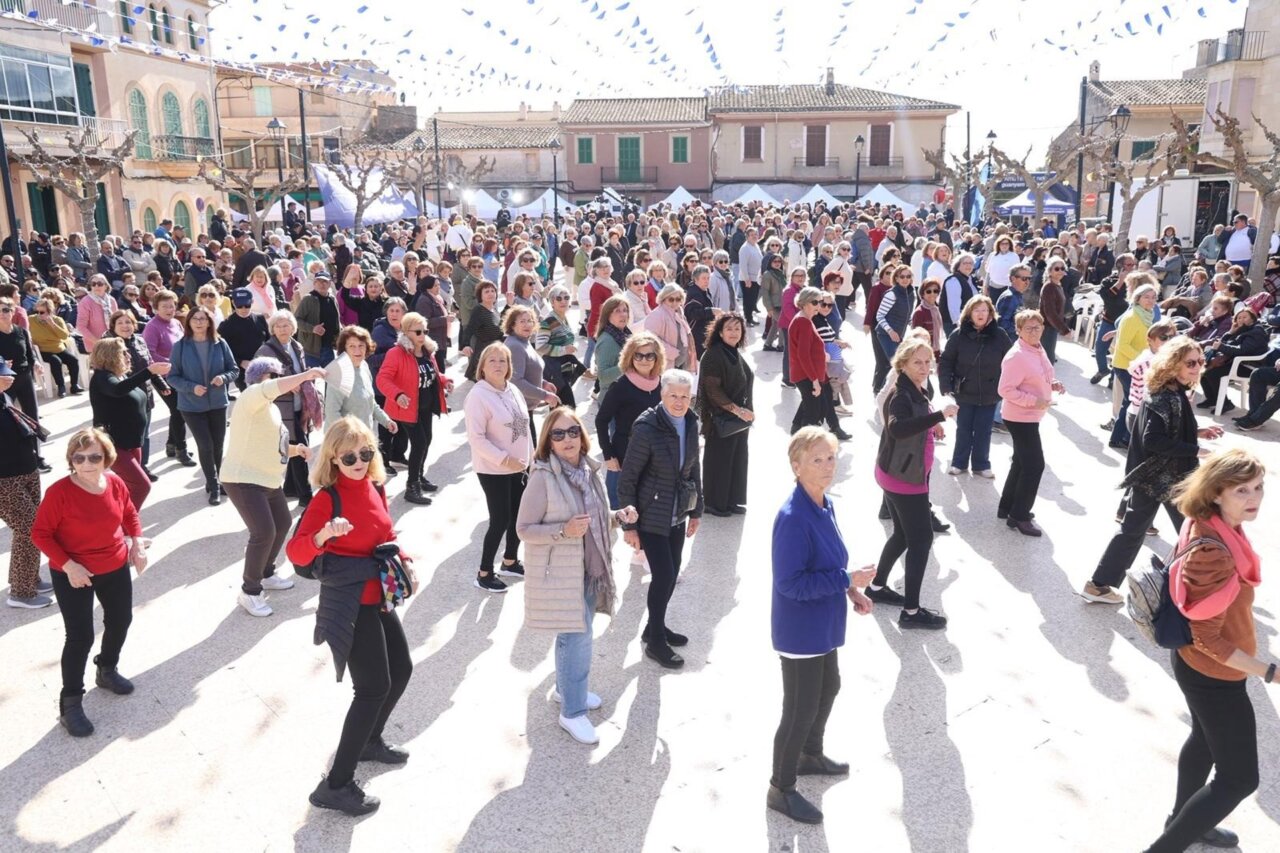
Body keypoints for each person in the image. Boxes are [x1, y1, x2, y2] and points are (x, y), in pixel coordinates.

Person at [1140, 449, 1272, 853]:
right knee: (1239, 779)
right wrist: (1269, 671)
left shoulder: (1213, 523)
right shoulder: (1213, 551)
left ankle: (1185, 822)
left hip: (1200, 666)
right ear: (1216, 493)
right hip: (1212, 673)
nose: (1254, 498)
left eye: (1259, 487)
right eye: (1241, 490)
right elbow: (1208, 638)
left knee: (1202, 741)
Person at [285, 417, 416, 817]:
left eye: (366, 453)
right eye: (349, 456)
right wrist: (324, 535)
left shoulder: (376, 487)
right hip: (348, 601)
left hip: (378, 595)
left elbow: (385, 535)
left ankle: (369, 742)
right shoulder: (327, 499)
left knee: (402, 669)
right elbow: (297, 553)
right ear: (334, 458)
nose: (359, 461)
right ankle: (336, 785)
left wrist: (404, 560)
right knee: (373, 687)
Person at [768, 427, 876, 824]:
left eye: (830, 457)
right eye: (817, 459)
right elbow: (790, 583)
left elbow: (831, 564)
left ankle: (810, 755)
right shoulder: (794, 517)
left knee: (829, 687)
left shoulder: (824, 504)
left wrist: (851, 591)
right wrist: (847, 580)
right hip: (801, 630)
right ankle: (780, 787)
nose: (827, 465)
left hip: (823, 622)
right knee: (798, 709)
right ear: (796, 467)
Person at [516, 407, 638, 745]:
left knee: (573, 637)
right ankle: (571, 712)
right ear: (548, 441)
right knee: (578, 637)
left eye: (572, 432)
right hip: (562, 572)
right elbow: (523, 529)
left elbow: (594, 519)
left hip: (589, 568)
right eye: (558, 434)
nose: (567, 439)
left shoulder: (587, 469)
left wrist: (617, 516)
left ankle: (567, 689)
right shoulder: (543, 477)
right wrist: (563, 530)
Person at [1083, 337, 1225, 604]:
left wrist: (1196, 433)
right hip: (1163, 478)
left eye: (1200, 361)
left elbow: (1169, 429)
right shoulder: (1165, 397)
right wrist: (1195, 450)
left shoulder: (1170, 391)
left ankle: (1099, 584)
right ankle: (1201, 587)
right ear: (1173, 365)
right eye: (1190, 363)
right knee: (1197, 530)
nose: (1197, 367)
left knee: (1143, 531)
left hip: (1159, 477)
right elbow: (1154, 440)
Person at [32, 428, 148, 737]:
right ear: (71, 460)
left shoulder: (115, 482)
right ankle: (70, 705)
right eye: (79, 457)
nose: (87, 463)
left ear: (106, 459)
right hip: (73, 571)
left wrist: (136, 543)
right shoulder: (59, 493)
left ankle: (106, 670)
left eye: (95, 457)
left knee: (121, 620)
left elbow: (129, 513)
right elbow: (39, 534)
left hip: (113, 563)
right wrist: (70, 566)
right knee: (80, 636)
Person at [222, 359, 325, 617]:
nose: (283, 380)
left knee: (281, 525)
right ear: (264, 376)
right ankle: (250, 590)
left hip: (268, 479)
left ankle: (266, 573)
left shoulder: (272, 409)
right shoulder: (251, 395)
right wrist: (306, 375)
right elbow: (272, 388)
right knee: (263, 532)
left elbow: (273, 445)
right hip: (242, 478)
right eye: (277, 375)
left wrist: (295, 450)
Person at [866, 338, 957, 628]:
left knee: (903, 535)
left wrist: (934, 423)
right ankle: (912, 612)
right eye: (917, 362)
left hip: (896, 472)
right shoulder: (901, 393)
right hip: (905, 480)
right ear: (902, 364)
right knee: (921, 539)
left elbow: (918, 418)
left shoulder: (916, 389)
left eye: (928, 362)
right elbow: (897, 428)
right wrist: (938, 415)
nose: (924, 367)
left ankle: (877, 588)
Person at [618, 369, 703, 670]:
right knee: (664, 576)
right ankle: (655, 642)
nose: (679, 402)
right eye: (673, 396)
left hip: (678, 511)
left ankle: (654, 626)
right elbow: (627, 479)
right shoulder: (646, 427)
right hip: (651, 515)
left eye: (685, 396)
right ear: (662, 395)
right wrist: (629, 525)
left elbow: (693, 468)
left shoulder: (691, 421)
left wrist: (697, 509)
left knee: (673, 570)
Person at [464, 342, 534, 593]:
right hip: (493, 469)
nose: (497, 365)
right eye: (491, 360)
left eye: (502, 360)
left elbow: (525, 428)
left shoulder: (512, 389)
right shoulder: (477, 396)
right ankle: (484, 573)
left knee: (518, 516)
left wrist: (532, 459)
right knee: (500, 520)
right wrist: (505, 459)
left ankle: (510, 561)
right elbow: (477, 438)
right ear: (482, 366)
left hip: (520, 467)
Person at [996, 310, 1063, 537]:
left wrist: (1052, 383)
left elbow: (1037, 375)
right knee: (1034, 466)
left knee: (1021, 462)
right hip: (1020, 417)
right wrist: (1035, 401)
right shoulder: (1016, 355)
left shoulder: (1037, 348)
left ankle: (1007, 507)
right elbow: (1004, 390)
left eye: (1037, 327)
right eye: (1028, 329)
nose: (1034, 332)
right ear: (1018, 331)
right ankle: (1019, 515)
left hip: (1031, 416)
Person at [87, 337, 171, 509]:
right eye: (123, 352)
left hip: (132, 441)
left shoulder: (121, 375)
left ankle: (119, 520)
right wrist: (149, 371)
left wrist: (158, 381)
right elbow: (118, 390)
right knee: (142, 486)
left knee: (129, 486)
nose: (128, 355)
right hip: (114, 444)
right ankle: (124, 526)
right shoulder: (102, 378)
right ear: (110, 355)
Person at [166, 307, 238, 505]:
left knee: (217, 446)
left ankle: (215, 480)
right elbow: (172, 377)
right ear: (188, 322)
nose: (199, 322)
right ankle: (214, 486)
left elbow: (234, 369)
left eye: (203, 319)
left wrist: (222, 378)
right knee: (205, 445)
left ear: (209, 322)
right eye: (195, 319)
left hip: (218, 403)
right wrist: (191, 387)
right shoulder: (180, 346)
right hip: (190, 405)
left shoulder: (220, 343)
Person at [377, 312, 449, 506]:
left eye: (425, 331)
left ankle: (418, 475)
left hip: (425, 405)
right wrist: (398, 394)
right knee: (419, 443)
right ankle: (412, 486)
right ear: (406, 332)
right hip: (407, 407)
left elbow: (431, 374)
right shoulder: (396, 353)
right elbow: (382, 379)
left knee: (427, 441)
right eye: (418, 331)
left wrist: (444, 380)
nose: (422, 335)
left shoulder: (427, 351)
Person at [938, 295, 1011, 478]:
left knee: (984, 430)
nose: (980, 314)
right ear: (969, 313)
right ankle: (959, 463)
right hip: (964, 392)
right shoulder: (958, 335)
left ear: (990, 314)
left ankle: (981, 464)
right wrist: (946, 387)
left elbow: (1011, 362)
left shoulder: (1000, 335)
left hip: (990, 393)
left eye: (984, 310)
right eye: (976, 310)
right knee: (963, 429)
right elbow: (946, 361)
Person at [596, 332, 664, 510]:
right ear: (630, 357)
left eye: (650, 355)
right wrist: (608, 455)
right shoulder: (620, 386)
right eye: (638, 355)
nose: (644, 360)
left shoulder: (662, 384)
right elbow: (601, 420)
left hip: (653, 456)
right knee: (619, 511)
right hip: (624, 456)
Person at [0, 360, 49, 608]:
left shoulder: (4, 398)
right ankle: (20, 592)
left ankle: (29, 577)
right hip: (4, 481)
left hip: (26, 471)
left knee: (32, 529)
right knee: (31, 531)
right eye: (2, 376)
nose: (8, 379)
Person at [697, 312, 755, 517]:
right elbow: (713, 390)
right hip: (721, 418)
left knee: (737, 458)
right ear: (720, 332)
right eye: (729, 328)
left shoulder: (733, 352)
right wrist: (738, 411)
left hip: (738, 419)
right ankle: (715, 503)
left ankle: (732, 500)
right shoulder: (714, 354)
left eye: (737, 328)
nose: (733, 332)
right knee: (720, 460)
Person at [141, 289, 195, 467]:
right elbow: (149, 354)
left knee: (178, 411)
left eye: (172, 306)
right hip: (163, 376)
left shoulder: (176, 323)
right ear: (156, 308)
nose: (169, 309)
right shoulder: (152, 327)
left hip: (180, 374)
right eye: (164, 306)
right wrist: (174, 363)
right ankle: (181, 450)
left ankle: (171, 445)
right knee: (179, 410)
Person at [789, 287, 847, 438]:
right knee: (813, 415)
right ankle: (804, 448)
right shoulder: (803, 322)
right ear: (804, 302)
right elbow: (803, 355)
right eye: (815, 302)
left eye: (820, 302)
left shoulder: (805, 319)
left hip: (809, 374)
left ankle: (796, 432)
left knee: (810, 407)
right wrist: (814, 380)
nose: (819, 306)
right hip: (807, 375)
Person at [1108, 281, 1160, 448]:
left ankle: (1119, 437)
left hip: (1136, 365)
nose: (1150, 300)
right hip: (1126, 365)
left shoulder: (1146, 315)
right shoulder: (1132, 317)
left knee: (1129, 401)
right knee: (1132, 401)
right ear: (1137, 299)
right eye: (1146, 297)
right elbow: (1123, 345)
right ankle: (1122, 437)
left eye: (1154, 297)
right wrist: (1143, 360)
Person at [1197, 307, 1269, 413]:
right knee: (1205, 369)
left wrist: (1221, 347)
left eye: (1244, 317)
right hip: (1238, 363)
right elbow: (1227, 343)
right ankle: (1212, 399)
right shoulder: (1243, 330)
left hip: (1250, 366)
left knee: (1213, 373)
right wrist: (1230, 332)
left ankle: (1226, 404)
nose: (1241, 320)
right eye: (1239, 318)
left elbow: (1241, 350)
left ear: (1252, 319)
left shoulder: (1256, 331)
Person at [536, 284, 587, 408]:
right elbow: (540, 346)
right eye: (559, 298)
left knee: (559, 409)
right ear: (552, 302)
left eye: (566, 297)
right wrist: (563, 350)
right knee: (566, 408)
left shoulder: (562, 318)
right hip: (554, 370)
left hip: (564, 369)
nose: (563, 301)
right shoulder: (549, 321)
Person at [29, 297, 83, 397]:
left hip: (58, 348)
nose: (41, 314)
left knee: (73, 360)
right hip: (43, 349)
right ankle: (61, 386)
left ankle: (74, 385)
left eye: (43, 312)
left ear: (50, 311)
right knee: (56, 361)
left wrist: (52, 324)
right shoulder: (31, 320)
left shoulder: (58, 320)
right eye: (39, 312)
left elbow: (64, 336)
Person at [644, 283, 697, 372]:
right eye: (671, 299)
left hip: (681, 364)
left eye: (678, 299)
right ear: (663, 299)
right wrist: (673, 353)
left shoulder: (679, 313)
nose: (675, 302)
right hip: (666, 364)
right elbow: (650, 339)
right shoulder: (657, 314)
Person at [296, 270, 340, 368]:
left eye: (325, 281)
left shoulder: (332, 299)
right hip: (310, 350)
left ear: (329, 284)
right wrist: (313, 329)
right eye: (319, 281)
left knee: (331, 380)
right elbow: (296, 321)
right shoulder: (308, 299)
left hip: (328, 348)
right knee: (309, 381)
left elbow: (337, 322)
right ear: (314, 283)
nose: (322, 284)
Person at [462, 280, 503, 382]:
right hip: (484, 353)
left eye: (492, 291)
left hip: (496, 352)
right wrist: (465, 345)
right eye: (486, 291)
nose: (490, 293)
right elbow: (469, 328)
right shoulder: (478, 310)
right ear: (480, 295)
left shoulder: (494, 310)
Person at [592, 295, 632, 395]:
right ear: (608, 315)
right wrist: (628, 365)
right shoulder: (607, 341)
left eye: (625, 310)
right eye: (617, 311)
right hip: (612, 397)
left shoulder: (624, 333)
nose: (623, 314)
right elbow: (603, 376)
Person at [76, 275, 118, 350]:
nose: (96, 286)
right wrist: (98, 342)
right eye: (93, 284)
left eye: (99, 284)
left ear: (106, 286)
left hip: (112, 343)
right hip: (94, 346)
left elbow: (117, 322)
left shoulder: (112, 300)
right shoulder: (85, 302)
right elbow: (81, 327)